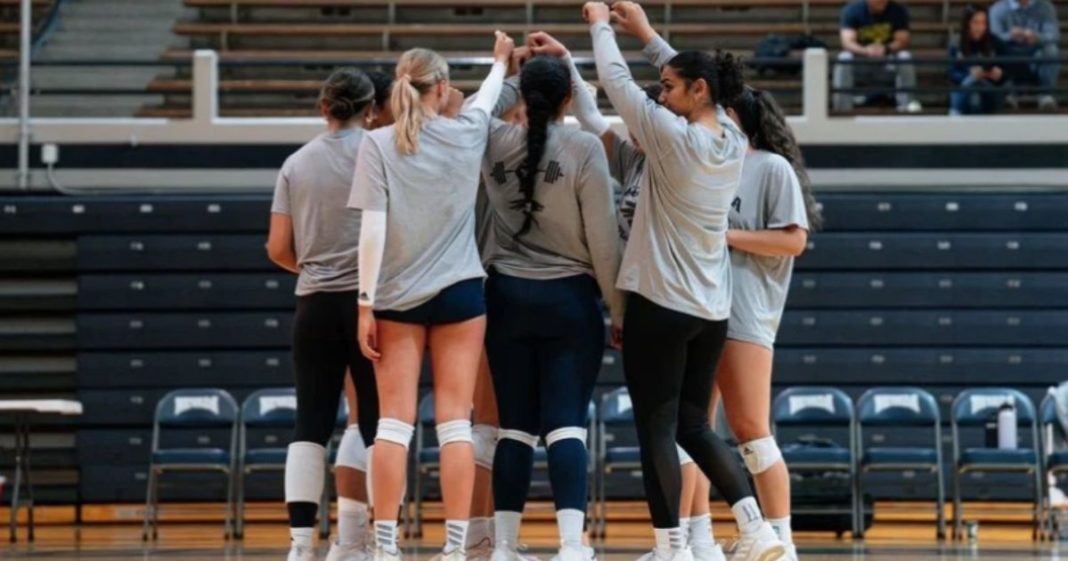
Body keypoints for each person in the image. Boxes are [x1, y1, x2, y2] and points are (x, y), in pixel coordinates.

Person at [560, 2, 786, 560]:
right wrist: (648, 35)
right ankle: (755, 527)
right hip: (710, 310)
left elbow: (615, 81)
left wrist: (599, 26)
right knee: (695, 426)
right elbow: (707, 79)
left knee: (657, 430)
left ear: (699, 91)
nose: (661, 95)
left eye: (668, 87)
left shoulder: (670, 138)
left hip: (660, 304)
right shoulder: (733, 137)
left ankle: (670, 548)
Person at [349, 31, 515, 561]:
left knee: (393, 425)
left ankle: (385, 546)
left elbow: (371, 230)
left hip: (396, 297)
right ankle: (456, 549)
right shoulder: (467, 132)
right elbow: (489, 96)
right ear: (442, 87)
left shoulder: (376, 143)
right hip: (462, 293)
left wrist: (364, 303)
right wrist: (500, 61)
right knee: (455, 424)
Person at [477, 50, 624, 561]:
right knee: (565, 423)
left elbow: (482, 109)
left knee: (514, 426)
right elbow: (604, 241)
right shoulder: (584, 147)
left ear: (522, 96)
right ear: (566, 98)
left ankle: (504, 548)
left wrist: (509, 71)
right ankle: (570, 547)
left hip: (504, 297)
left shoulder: (491, 138)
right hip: (570, 300)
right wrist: (617, 308)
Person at [680, 87, 822, 561]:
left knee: (752, 432)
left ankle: (781, 540)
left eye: (722, 110)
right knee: (693, 427)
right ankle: (698, 541)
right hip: (702, 307)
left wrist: (727, 237)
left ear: (738, 115)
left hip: (745, 312)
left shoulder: (771, 168)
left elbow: (794, 241)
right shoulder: (710, 166)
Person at [267, 68, 381, 561]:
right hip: (369, 304)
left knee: (310, 423)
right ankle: (380, 538)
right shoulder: (382, 155)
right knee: (376, 423)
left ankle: (299, 546)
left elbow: (276, 247)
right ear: (371, 109)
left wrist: (315, 268)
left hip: (312, 304)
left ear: (323, 108)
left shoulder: (295, 163)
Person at [832, 0, 922, 113]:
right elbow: (847, 42)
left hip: (887, 62)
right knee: (844, 58)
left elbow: (902, 40)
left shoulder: (898, 10)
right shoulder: (852, 10)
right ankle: (843, 108)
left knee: (905, 56)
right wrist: (865, 50)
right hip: (861, 62)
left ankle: (907, 105)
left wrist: (886, 49)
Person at [989, 0, 1060, 110]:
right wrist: (1009, 36)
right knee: (995, 51)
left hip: (1036, 55)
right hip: (1009, 54)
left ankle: (1046, 95)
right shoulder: (997, 9)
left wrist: (1037, 37)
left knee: (1052, 50)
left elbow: (1054, 35)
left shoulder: (1046, 7)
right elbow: (992, 37)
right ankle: (1008, 94)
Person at [949, 5, 1009, 115]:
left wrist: (1000, 74)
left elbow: (1008, 70)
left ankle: (954, 114)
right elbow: (953, 73)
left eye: (983, 23)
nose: (980, 27)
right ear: (967, 24)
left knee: (977, 87)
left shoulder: (995, 42)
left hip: (989, 90)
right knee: (973, 89)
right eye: (975, 23)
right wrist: (969, 74)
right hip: (966, 89)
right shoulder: (956, 43)